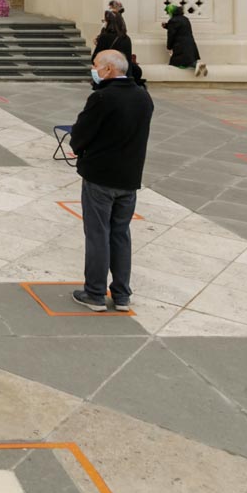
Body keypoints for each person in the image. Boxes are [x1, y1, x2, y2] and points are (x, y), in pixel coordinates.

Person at [67, 50, 154, 311]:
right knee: (120, 234)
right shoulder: (143, 97)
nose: (93, 70)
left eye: (96, 66)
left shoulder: (102, 97)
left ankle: (94, 293)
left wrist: (80, 147)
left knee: (98, 234)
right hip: (129, 178)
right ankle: (121, 294)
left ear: (107, 70)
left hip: (100, 177)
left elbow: (80, 134)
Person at [90, 8, 144, 84]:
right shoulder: (126, 38)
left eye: (104, 21)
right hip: (124, 77)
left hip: (108, 78)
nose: (104, 23)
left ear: (109, 22)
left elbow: (95, 59)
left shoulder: (105, 37)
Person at [161, 4, 205, 78]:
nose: (168, 14)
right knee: (188, 60)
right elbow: (180, 28)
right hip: (190, 43)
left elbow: (171, 34)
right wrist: (167, 26)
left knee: (178, 62)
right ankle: (198, 65)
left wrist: (169, 46)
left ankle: (197, 65)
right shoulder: (185, 19)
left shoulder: (173, 20)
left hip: (180, 45)